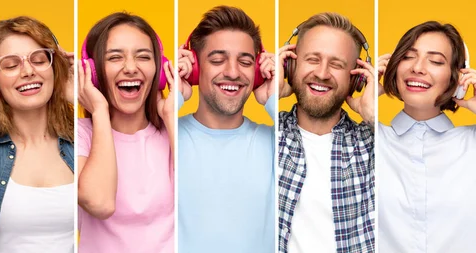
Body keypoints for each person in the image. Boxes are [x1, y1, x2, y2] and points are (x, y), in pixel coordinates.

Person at [177, 5, 276, 253]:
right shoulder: (165, 136)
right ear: (195, 69)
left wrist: (271, 99)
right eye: (218, 60)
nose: (232, 72)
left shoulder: (277, 142)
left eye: (245, 62)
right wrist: (175, 95)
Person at [277, 12, 375, 253]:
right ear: (290, 65)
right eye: (312, 59)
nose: (322, 73)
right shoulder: (262, 137)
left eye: (336, 64)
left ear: (356, 80)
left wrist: (372, 114)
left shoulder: (377, 145)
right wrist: (271, 95)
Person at [77, 12, 175, 253]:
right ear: (93, 72)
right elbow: (100, 203)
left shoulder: (174, 132)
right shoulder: (77, 136)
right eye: (115, 57)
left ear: (159, 72)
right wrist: (99, 111)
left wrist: (171, 117)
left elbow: (201, 210)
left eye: (143, 56)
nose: (131, 68)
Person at [0, 16, 75, 253]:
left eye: (40, 60)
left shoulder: (79, 141)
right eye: (11, 65)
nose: (29, 71)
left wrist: (85, 100)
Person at [377, 21, 476, 253]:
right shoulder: (367, 140)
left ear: (458, 78)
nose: (418, 68)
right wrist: (367, 102)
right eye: (408, 57)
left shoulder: (471, 144)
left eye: (436, 61)